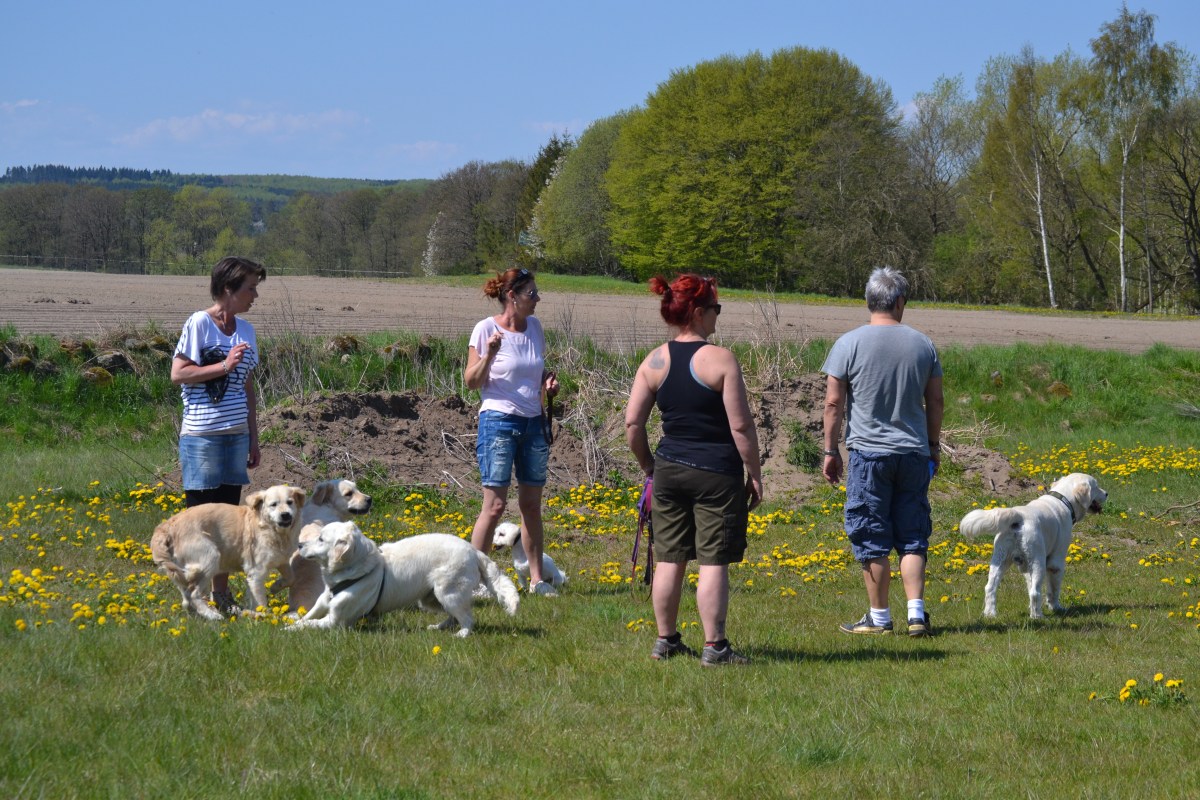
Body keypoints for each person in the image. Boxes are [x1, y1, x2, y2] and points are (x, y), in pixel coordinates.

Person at [625, 274, 763, 666]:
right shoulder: (721, 360)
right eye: (716, 308)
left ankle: (665, 640)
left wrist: (649, 466)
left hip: (669, 470)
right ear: (699, 312)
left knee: (670, 557)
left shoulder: (654, 360)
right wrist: (754, 473)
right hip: (716, 472)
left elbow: (633, 424)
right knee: (713, 561)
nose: (718, 314)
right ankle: (715, 647)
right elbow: (740, 426)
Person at [821, 266, 944, 637]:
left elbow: (833, 403)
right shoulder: (923, 345)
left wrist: (830, 449)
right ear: (900, 302)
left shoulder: (848, 343)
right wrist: (933, 446)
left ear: (868, 301)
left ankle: (879, 617)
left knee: (871, 532)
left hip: (868, 455)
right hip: (913, 453)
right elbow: (936, 401)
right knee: (912, 534)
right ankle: (917, 614)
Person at [170, 256, 266, 616]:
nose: (255, 295)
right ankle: (194, 597)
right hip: (203, 437)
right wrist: (224, 365)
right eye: (250, 288)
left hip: (235, 435)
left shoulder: (247, 331)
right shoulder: (199, 323)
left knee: (227, 524)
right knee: (199, 522)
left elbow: (248, 388)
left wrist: (253, 436)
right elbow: (178, 374)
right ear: (228, 289)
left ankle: (221, 597)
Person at [465, 267, 560, 595]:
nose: (537, 298)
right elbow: (471, 381)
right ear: (512, 296)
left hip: (533, 423)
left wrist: (548, 382)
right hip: (499, 423)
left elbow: (533, 369)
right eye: (531, 293)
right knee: (494, 506)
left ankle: (537, 580)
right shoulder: (485, 329)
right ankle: (475, 582)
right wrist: (490, 354)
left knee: (531, 506)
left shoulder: (535, 327)